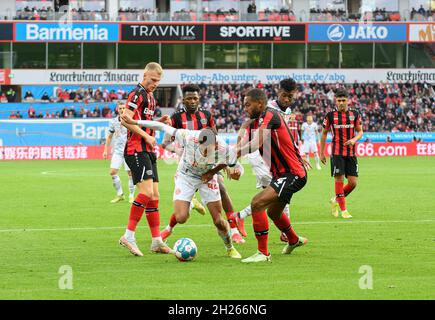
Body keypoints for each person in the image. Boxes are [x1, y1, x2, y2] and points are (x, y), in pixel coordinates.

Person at [122, 117, 243, 259]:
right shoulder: (188, 136)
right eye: (202, 150)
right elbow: (161, 127)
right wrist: (136, 122)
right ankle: (191, 203)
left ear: (215, 146)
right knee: (181, 217)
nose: (204, 154)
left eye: (208, 151)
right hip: (186, 176)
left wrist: (235, 173)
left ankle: (230, 247)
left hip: (207, 178)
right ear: (198, 141)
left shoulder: (224, 149)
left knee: (218, 220)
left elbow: (238, 169)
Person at [161, 84, 245, 244]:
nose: (193, 101)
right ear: (183, 100)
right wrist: (181, 151)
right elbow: (165, 143)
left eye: (195, 98)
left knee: (221, 188)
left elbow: (216, 140)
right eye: (189, 98)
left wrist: (225, 164)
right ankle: (169, 228)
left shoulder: (206, 115)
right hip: (188, 164)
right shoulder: (176, 118)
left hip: (208, 163)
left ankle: (233, 229)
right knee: (183, 206)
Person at [234, 88, 309, 263]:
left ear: (260, 103)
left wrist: (235, 153)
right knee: (274, 212)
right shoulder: (254, 122)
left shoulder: (270, 115)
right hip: (281, 174)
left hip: (292, 173)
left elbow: (255, 143)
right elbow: (243, 143)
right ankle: (293, 239)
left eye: (248, 104)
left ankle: (263, 253)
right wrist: (228, 159)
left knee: (257, 203)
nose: (245, 108)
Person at [118, 62, 172, 257]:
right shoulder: (137, 93)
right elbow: (126, 118)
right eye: (152, 80)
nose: (155, 84)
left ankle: (156, 240)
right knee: (147, 192)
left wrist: (157, 124)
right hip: (135, 149)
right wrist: (147, 136)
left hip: (147, 150)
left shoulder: (150, 97)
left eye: (158, 81)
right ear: (145, 75)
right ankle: (128, 236)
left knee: (155, 195)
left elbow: (141, 121)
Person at [320, 88, 363, 219]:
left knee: (353, 183)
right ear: (335, 101)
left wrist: (354, 140)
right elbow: (324, 134)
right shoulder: (330, 116)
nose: (341, 103)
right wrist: (321, 153)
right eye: (339, 100)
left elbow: (360, 131)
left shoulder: (354, 114)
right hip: (336, 152)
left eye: (344, 100)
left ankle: (335, 200)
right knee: (339, 179)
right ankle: (343, 209)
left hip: (350, 152)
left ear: (348, 101)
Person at [103, 104, 136, 204]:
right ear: (117, 110)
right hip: (117, 151)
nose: (122, 110)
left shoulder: (130, 120)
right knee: (113, 172)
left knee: (130, 174)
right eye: (120, 108)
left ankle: (131, 195)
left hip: (128, 151)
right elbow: (109, 137)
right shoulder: (113, 122)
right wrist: (105, 150)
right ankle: (120, 194)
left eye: (123, 108)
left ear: (126, 109)